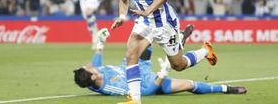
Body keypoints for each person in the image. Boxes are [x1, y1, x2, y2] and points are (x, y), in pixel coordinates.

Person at [109, 0, 217, 103]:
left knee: (178, 65)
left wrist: (148, 10)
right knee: (131, 53)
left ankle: (205, 51)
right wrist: (122, 16)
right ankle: (135, 100)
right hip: (145, 21)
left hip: (164, 21)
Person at [73, 28, 247, 98]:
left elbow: (96, 63)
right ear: (94, 76)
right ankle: (226, 88)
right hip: (149, 82)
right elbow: (146, 92)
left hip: (135, 64)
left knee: (146, 36)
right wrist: (163, 73)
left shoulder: (93, 76)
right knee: (189, 85)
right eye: (89, 68)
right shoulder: (112, 88)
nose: (90, 65)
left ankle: (179, 44)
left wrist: (100, 45)